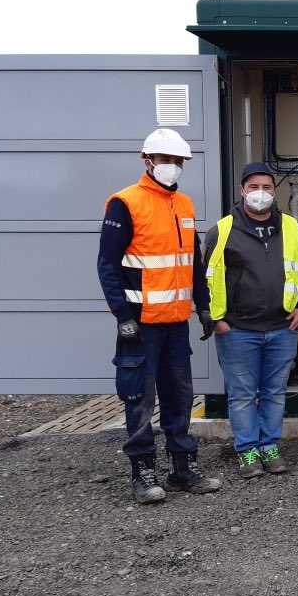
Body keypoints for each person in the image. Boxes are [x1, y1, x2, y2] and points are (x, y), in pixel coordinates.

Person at [97, 127, 221, 504]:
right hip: (140, 324)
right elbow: (107, 265)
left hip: (176, 323)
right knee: (139, 397)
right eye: (166, 159)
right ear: (147, 160)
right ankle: (143, 472)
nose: (173, 166)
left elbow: (193, 264)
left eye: (178, 161)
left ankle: (182, 468)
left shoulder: (184, 205)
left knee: (179, 396)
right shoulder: (125, 203)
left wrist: (203, 306)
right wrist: (122, 315)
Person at [205, 162, 298, 478]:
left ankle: (269, 446)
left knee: (274, 394)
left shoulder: (291, 227)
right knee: (242, 395)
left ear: (274, 191)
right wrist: (214, 319)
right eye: (254, 187)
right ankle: (247, 451)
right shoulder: (222, 230)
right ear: (242, 190)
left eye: (266, 187)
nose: (260, 193)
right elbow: (206, 277)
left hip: (282, 328)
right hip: (237, 330)